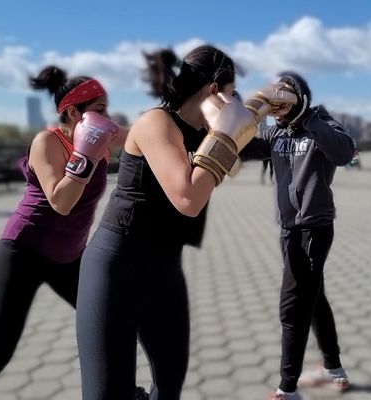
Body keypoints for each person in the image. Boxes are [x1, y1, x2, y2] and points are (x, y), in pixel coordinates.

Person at [75, 45, 297, 400]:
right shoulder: (155, 122)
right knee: (105, 394)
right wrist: (226, 132)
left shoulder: (204, 132)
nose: (232, 101)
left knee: (169, 383)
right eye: (230, 93)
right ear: (213, 90)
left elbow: (262, 142)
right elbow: (188, 199)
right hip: (116, 265)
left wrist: (274, 104)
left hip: (163, 267)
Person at [0, 65, 127, 400]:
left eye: (107, 109)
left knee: (114, 320)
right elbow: (61, 201)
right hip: (23, 252)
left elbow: (146, 135)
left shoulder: (105, 134)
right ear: (73, 112)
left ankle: (118, 392)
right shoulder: (47, 141)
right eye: (98, 110)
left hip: (68, 256)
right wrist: (84, 154)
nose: (106, 118)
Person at [241, 71, 355, 400]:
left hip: (315, 228)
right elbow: (243, 148)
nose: (277, 101)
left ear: (300, 95)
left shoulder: (323, 123)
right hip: (289, 229)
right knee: (313, 297)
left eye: (284, 93)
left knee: (293, 305)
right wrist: (234, 114)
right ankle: (334, 366)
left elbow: (345, 153)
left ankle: (287, 387)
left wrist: (306, 115)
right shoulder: (276, 133)